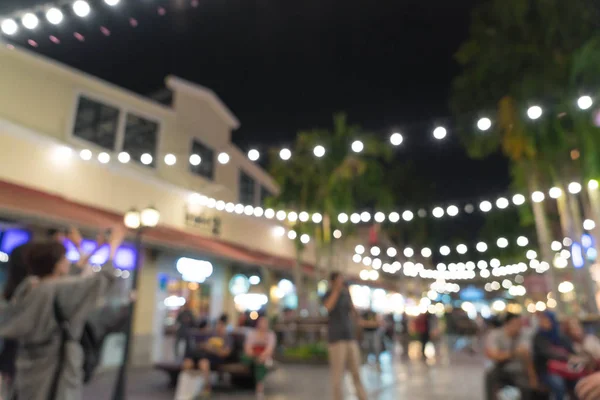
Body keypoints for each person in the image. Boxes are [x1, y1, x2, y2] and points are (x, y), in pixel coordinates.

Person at [0, 226, 125, 400]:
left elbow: (73, 275)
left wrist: (92, 248)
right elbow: (103, 279)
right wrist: (113, 248)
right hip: (54, 366)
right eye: (64, 258)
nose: (68, 261)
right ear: (57, 264)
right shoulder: (58, 290)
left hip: (28, 365)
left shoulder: (29, 288)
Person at [322, 272, 367, 400]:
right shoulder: (328, 294)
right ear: (333, 281)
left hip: (349, 336)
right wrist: (336, 291)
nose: (341, 282)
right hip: (336, 338)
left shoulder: (346, 293)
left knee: (356, 372)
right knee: (337, 374)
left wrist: (359, 321)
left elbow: (353, 311)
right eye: (338, 280)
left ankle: (363, 397)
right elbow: (328, 307)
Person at [484, 313, 535, 400]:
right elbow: (493, 355)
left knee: (526, 388)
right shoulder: (496, 334)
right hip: (499, 368)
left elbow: (527, 357)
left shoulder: (524, 335)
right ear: (506, 324)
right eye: (514, 324)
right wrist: (514, 353)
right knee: (490, 376)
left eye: (519, 324)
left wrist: (532, 377)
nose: (518, 327)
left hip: (517, 370)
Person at [183, 314, 233, 398]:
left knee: (204, 363)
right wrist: (203, 346)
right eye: (218, 325)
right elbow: (200, 344)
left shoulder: (227, 338)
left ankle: (206, 388)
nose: (219, 327)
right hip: (202, 355)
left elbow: (225, 353)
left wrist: (211, 349)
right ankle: (186, 388)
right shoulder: (210, 335)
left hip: (215, 358)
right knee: (187, 363)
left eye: (221, 325)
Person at [533, 311, 577, 400]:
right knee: (558, 384)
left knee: (578, 382)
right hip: (548, 370)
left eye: (545, 320)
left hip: (566, 367)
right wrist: (566, 356)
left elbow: (571, 350)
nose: (543, 322)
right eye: (541, 320)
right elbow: (546, 352)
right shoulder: (538, 336)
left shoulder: (560, 335)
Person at [243, 315, 276, 399]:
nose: (263, 325)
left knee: (261, 363)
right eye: (261, 322)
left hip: (263, 357)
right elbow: (248, 348)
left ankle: (259, 389)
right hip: (251, 356)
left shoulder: (270, 334)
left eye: (265, 323)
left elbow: (269, 349)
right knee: (253, 360)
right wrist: (254, 354)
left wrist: (262, 356)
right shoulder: (252, 333)